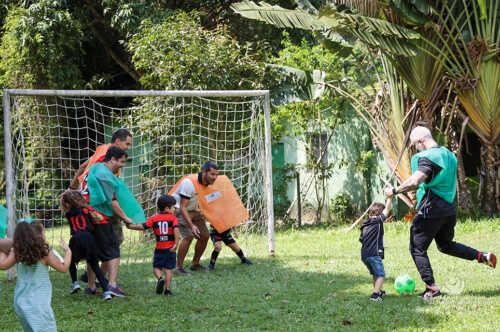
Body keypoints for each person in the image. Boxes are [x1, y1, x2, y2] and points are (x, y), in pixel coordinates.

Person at [385, 126, 496, 299]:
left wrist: (394, 190)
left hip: (431, 208)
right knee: (445, 245)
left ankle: (432, 289)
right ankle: (481, 256)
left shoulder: (429, 158)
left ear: (421, 141)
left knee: (417, 248)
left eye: (415, 144)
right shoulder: (448, 154)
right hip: (448, 209)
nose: (416, 148)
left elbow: (416, 180)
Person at [73, 129, 132, 283]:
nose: (128, 148)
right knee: (113, 245)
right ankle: (105, 281)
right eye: (127, 144)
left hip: (85, 205)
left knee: (97, 245)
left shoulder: (100, 151)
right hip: (99, 210)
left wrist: (72, 188)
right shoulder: (104, 167)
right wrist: (126, 217)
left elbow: (81, 167)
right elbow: (110, 199)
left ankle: (92, 282)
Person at [0, 221, 71, 332]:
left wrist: (3, 250)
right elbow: (64, 267)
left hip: (20, 303)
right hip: (39, 304)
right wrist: (68, 252)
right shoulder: (43, 253)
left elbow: (2, 265)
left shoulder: (17, 252)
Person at [85, 146, 136, 297]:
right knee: (113, 250)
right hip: (99, 217)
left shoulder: (95, 168)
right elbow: (112, 202)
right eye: (121, 162)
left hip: (88, 215)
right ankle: (112, 285)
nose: (122, 165)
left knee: (93, 253)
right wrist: (126, 219)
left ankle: (91, 286)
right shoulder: (105, 173)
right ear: (112, 159)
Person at [60, 190, 112, 300]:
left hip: (76, 239)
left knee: (71, 262)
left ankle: (75, 283)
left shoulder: (68, 214)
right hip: (89, 239)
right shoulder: (85, 210)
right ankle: (106, 291)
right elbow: (98, 219)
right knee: (95, 265)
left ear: (67, 204)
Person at [125, 194, 180, 295]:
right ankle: (167, 290)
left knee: (156, 267)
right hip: (170, 249)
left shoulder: (154, 218)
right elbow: (176, 231)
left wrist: (130, 226)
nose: (174, 209)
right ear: (167, 208)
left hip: (160, 248)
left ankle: (160, 278)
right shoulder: (173, 219)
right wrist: (176, 244)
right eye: (173, 207)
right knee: (168, 269)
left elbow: (142, 227)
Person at [170, 162, 218, 275]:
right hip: (180, 210)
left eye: (216, 175)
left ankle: (195, 264)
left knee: (205, 236)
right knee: (188, 236)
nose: (215, 177)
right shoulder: (189, 183)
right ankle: (178, 268)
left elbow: (209, 202)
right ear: (204, 172)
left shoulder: (210, 183)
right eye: (212, 174)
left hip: (194, 210)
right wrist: (191, 225)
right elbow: (182, 207)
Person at [359, 197, 391, 302]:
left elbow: (363, 240)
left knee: (375, 274)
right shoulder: (378, 221)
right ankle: (375, 295)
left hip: (364, 255)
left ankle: (379, 291)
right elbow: (387, 210)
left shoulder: (364, 225)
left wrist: (380, 245)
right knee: (381, 274)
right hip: (373, 254)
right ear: (379, 214)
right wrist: (390, 197)